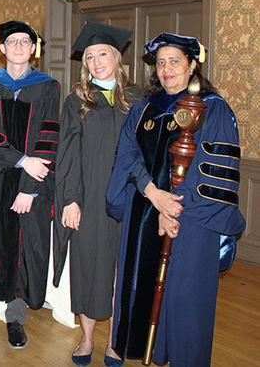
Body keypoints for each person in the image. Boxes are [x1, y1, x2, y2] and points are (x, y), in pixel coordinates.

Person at [105, 33, 246, 366]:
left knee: (184, 303)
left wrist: (174, 210)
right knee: (141, 291)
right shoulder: (144, 109)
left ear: (193, 64)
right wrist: (154, 195)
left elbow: (213, 173)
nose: (167, 69)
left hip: (192, 223)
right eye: (161, 62)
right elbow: (126, 156)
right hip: (146, 213)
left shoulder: (212, 109)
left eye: (175, 62)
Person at [52, 21, 145, 365]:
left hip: (130, 197)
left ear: (117, 57)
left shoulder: (138, 98)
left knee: (124, 268)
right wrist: (70, 199)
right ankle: (87, 338)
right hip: (89, 198)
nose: (95, 62)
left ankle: (116, 340)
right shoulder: (77, 100)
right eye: (89, 57)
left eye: (102, 54)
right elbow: (67, 154)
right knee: (88, 267)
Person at [0, 21, 59, 349]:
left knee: (24, 247)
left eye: (25, 41)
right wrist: (20, 161)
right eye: (12, 41)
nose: (19, 46)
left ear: (33, 49)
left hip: (31, 186)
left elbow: (49, 136)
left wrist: (29, 188)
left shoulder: (48, 87)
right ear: (2, 48)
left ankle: (16, 318)